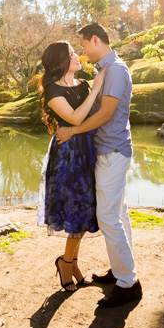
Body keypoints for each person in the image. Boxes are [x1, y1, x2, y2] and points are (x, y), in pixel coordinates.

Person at [56, 23, 142, 308]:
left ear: (95, 40)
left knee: (107, 216)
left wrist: (73, 132)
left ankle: (128, 283)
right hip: (109, 151)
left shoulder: (115, 70)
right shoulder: (106, 70)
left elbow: (106, 114)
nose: (82, 52)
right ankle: (121, 273)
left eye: (82, 46)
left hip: (112, 151)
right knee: (118, 212)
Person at [38, 40, 107, 292]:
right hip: (68, 156)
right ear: (60, 62)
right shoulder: (52, 91)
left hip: (88, 150)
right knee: (77, 212)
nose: (77, 56)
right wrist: (96, 87)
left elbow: (95, 116)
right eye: (70, 54)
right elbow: (77, 117)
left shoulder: (83, 84)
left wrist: (94, 88)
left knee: (87, 212)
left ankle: (72, 264)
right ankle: (66, 264)